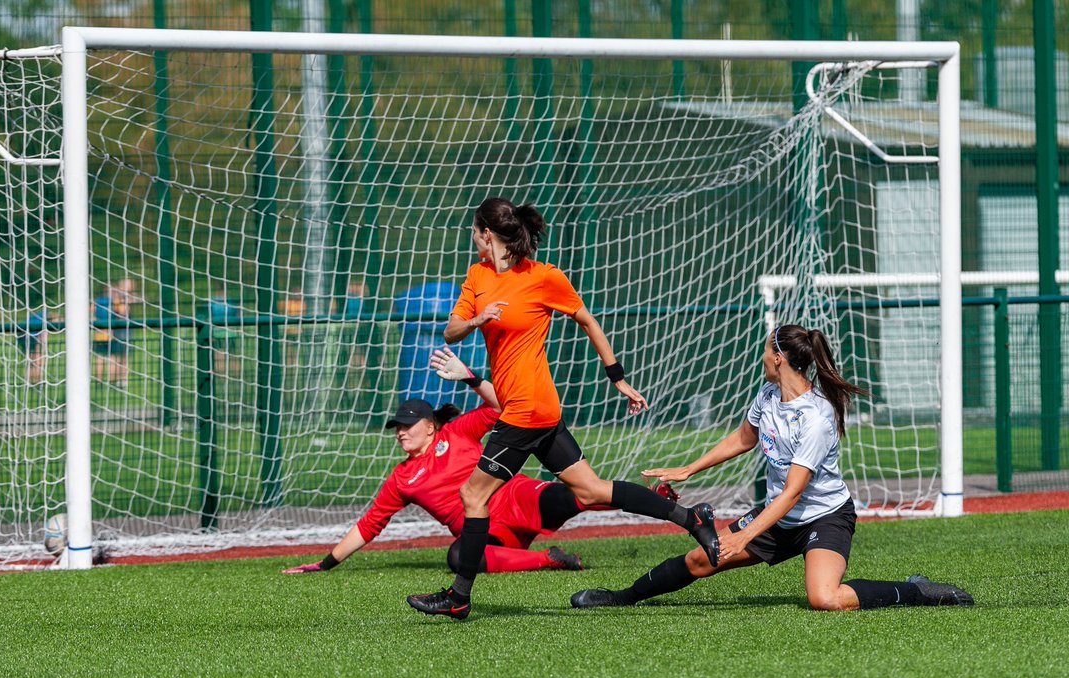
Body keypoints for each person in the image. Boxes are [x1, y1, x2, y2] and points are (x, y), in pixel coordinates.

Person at [407, 197, 719, 621]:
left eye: (474, 231)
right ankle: (690, 517)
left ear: (486, 233)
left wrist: (618, 378)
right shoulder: (477, 276)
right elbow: (451, 330)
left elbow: (588, 321)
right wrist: (479, 319)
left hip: (525, 411)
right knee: (590, 490)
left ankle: (459, 596)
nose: (472, 238)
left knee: (471, 494)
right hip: (536, 412)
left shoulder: (543, 277)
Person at [570, 324, 974, 612]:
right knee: (699, 560)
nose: (762, 357)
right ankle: (620, 597)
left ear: (778, 358)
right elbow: (744, 439)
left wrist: (743, 535)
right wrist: (689, 469)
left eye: (766, 350)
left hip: (825, 517)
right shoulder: (768, 394)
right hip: (778, 517)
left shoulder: (817, 417)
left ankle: (917, 591)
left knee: (825, 599)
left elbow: (793, 493)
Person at [283, 348, 605, 576]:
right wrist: (324, 564)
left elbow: (501, 405)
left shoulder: (457, 432)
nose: (401, 433)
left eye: (408, 426)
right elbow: (369, 526)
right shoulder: (402, 478)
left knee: (577, 495)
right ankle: (548, 560)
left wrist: (471, 378)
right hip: (484, 531)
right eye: (397, 428)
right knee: (458, 557)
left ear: (429, 426)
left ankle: (649, 496)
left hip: (516, 499)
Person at [17, 309, 50, 384]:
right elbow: (42, 335)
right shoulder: (45, 317)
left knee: (31, 359)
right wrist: (40, 343)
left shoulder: (34, 317)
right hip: (32, 336)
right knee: (38, 358)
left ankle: (29, 380)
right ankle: (37, 380)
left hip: (22, 336)